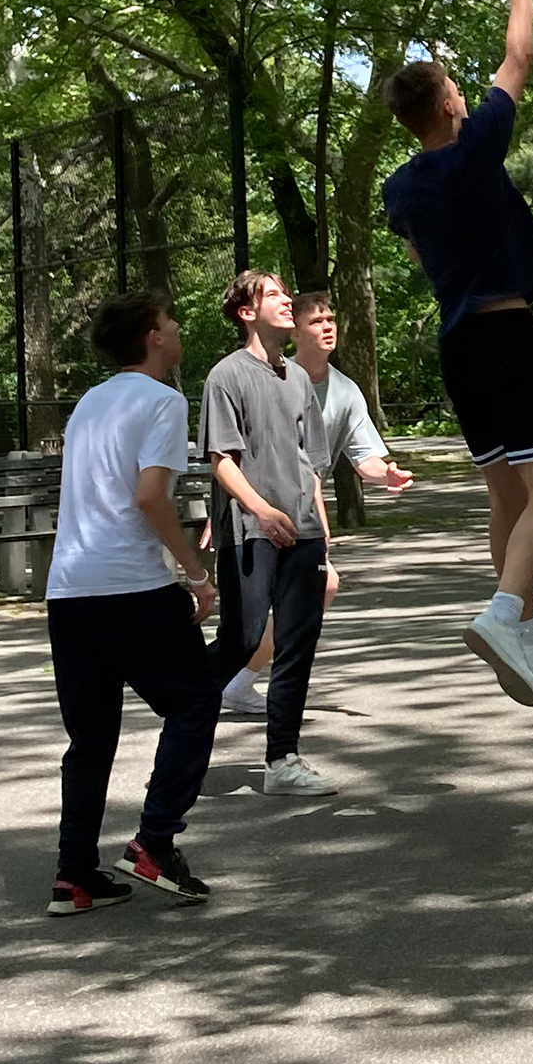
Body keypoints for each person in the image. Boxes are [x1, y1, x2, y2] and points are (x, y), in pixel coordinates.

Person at [382, 0, 533, 708]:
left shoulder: (400, 189)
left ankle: (527, 633)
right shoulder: (473, 149)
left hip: (460, 346)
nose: (469, 94)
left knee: (508, 498)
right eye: (457, 90)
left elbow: (418, 254)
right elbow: (520, 56)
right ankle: (502, 615)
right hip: (507, 337)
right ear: (445, 106)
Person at [45, 291, 219, 914]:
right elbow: (150, 498)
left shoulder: (90, 402)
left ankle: (74, 876)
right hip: (129, 585)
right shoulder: (163, 400)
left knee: (90, 738)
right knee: (196, 700)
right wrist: (196, 574)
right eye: (170, 321)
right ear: (152, 336)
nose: (177, 329)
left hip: (69, 589)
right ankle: (155, 842)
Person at [218, 290, 413, 716]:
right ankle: (213, 686)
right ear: (295, 332)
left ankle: (241, 687)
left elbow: (361, 459)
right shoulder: (265, 376)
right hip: (256, 509)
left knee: (317, 589)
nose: (328, 327)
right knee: (250, 618)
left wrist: (387, 474)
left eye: (331, 319)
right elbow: (230, 455)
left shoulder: (344, 390)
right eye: (316, 321)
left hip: (300, 508)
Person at [201, 271, 337, 795]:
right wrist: (261, 511)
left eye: (285, 292)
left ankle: (282, 760)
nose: (286, 300)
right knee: (244, 637)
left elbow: (311, 465)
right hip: (251, 531)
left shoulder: (298, 379)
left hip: (303, 533)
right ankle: (185, 715)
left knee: (297, 644)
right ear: (246, 312)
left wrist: (320, 531)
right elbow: (222, 461)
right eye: (273, 294)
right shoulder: (226, 376)